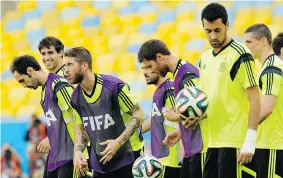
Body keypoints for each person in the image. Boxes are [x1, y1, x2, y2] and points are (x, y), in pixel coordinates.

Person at [199, 3, 261, 178]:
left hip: (235, 143)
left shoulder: (241, 55)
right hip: (212, 142)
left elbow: (255, 99)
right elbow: (207, 101)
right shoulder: (204, 58)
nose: (212, 36)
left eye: (217, 30)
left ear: (227, 25)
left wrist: (249, 142)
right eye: (208, 31)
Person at [63, 47, 144, 178]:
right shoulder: (75, 97)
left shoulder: (113, 87)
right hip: (101, 164)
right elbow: (82, 130)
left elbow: (139, 115)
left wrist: (117, 142)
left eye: (70, 64)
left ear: (84, 65)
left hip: (129, 158)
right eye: (64, 65)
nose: (65, 70)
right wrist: (78, 151)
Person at [137, 39, 206, 178]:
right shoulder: (176, 78)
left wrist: (176, 118)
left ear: (159, 57)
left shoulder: (185, 76)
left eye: (150, 66)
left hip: (196, 151)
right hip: (188, 152)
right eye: (144, 68)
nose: (149, 71)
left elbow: (203, 108)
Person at [10, 55, 78, 178]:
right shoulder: (44, 91)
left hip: (71, 153)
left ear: (30, 71)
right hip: (56, 154)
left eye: (22, 80)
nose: (24, 86)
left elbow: (77, 116)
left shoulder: (59, 85)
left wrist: (52, 138)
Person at [244, 24, 283, 178]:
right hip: (264, 142)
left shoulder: (272, 69)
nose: (246, 47)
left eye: (249, 42)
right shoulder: (265, 68)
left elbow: (267, 108)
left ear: (263, 41)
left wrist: (247, 133)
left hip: (271, 143)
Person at [140, 63, 181, 177]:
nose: (144, 72)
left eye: (148, 67)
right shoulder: (160, 91)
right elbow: (153, 120)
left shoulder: (170, 90)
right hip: (163, 160)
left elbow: (184, 120)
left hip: (173, 161)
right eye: (143, 68)